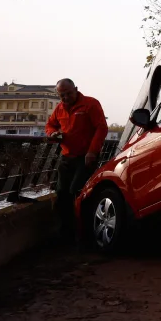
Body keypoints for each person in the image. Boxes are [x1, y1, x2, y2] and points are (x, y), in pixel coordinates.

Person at [45, 78, 108, 239]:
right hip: (67, 157)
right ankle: (65, 234)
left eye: (68, 93)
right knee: (62, 194)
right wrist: (52, 134)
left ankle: (85, 234)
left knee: (78, 193)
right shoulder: (59, 109)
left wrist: (92, 152)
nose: (65, 97)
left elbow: (101, 128)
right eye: (62, 95)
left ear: (76, 89)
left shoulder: (90, 104)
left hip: (85, 158)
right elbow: (50, 125)